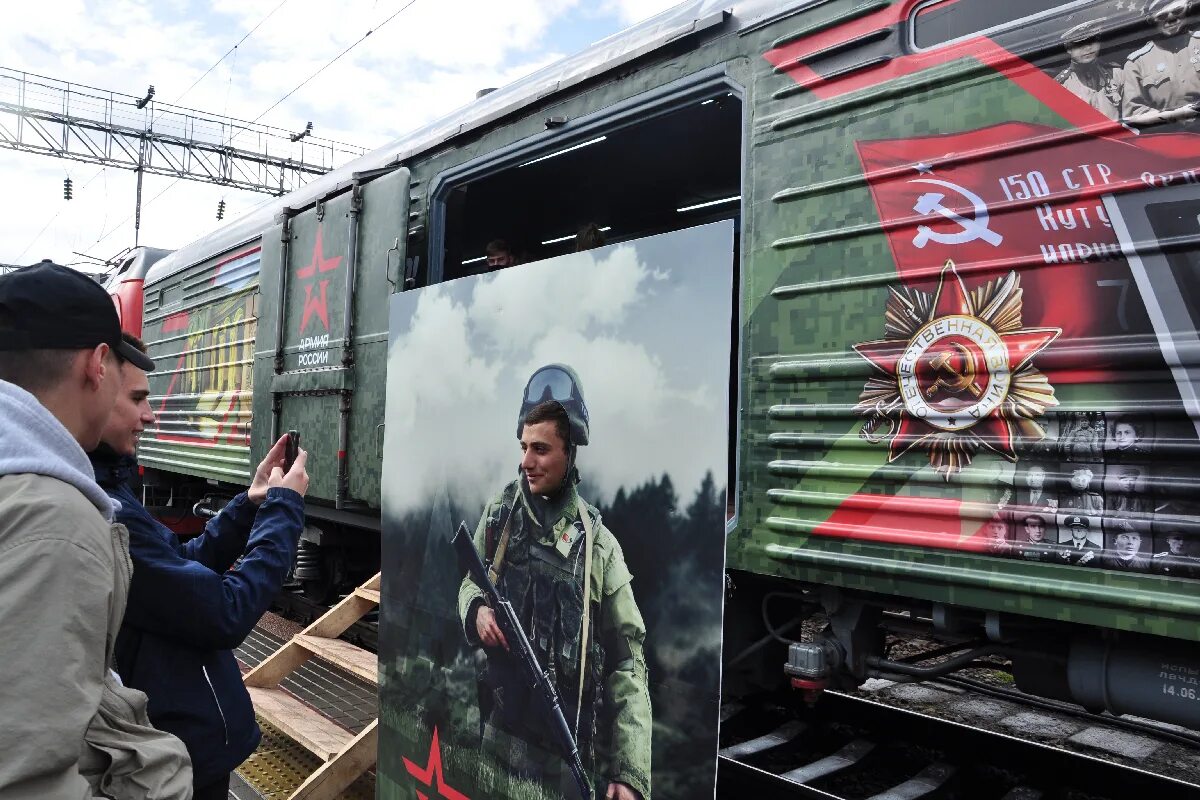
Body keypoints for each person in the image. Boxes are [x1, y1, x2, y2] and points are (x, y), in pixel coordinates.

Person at [88, 333, 310, 800]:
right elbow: (224, 611)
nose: (149, 414)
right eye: (137, 398)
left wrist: (249, 505)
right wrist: (285, 508)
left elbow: (179, 566)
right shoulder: (107, 508)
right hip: (174, 754)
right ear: (97, 388)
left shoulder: (110, 490)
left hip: (178, 744)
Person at [0, 261, 192, 798]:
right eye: (137, 397)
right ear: (98, 364)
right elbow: (25, 776)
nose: (147, 414)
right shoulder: (52, 520)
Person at [458, 364, 651, 800]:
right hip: (500, 737)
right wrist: (477, 611)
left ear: (570, 453)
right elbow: (471, 580)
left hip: (564, 753)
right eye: (524, 447)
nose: (526, 461)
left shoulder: (598, 548)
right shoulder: (501, 516)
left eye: (540, 449)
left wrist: (629, 771)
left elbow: (627, 662)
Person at [1122, 0, 1200, 128]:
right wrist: (1173, 116)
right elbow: (1133, 112)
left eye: (1177, 11)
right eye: (1162, 16)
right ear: (1151, 19)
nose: (1171, 19)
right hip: (1170, 137)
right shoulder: (1137, 63)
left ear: (1188, 7)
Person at [1055, 19, 1123, 120]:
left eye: (1091, 40)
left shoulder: (1117, 74)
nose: (1087, 48)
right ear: (1069, 48)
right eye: (1080, 43)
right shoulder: (1060, 87)